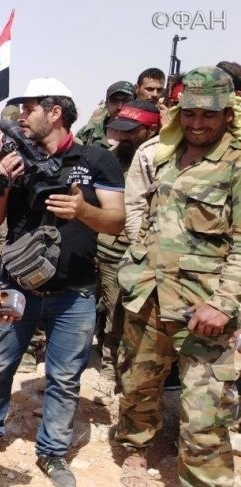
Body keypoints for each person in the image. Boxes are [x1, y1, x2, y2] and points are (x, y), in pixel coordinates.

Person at [0, 77, 125, 486]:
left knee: (64, 378)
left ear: (55, 112)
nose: (21, 117)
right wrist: (1, 184)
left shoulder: (96, 160)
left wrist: (83, 211)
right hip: (17, 287)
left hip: (74, 292)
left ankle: (52, 452)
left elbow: (116, 221)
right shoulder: (12, 159)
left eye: (30, 109)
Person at [114, 66, 241, 487]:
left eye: (208, 115)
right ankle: (135, 449)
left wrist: (223, 303)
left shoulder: (236, 164)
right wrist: (135, 264)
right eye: (190, 113)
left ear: (227, 114)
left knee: (206, 412)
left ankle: (202, 478)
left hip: (203, 308)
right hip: (148, 295)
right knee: (138, 383)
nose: (197, 123)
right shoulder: (166, 153)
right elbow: (148, 214)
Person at [92, 100, 160, 406]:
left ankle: (121, 371)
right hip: (107, 248)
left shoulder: (164, 160)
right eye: (121, 131)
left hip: (143, 253)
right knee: (109, 310)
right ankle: (108, 367)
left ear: (151, 130)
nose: (125, 137)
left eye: (133, 132)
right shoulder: (109, 159)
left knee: (129, 316)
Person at [75, 80, 134, 148]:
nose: (119, 107)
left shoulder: (141, 133)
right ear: (106, 104)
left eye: (126, 101)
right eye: (114, 101)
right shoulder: (88, 133)